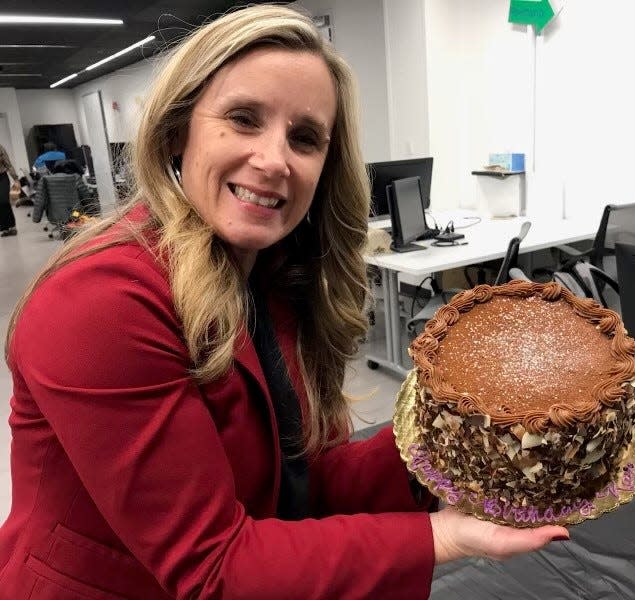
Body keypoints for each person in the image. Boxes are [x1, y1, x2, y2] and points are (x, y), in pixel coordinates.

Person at [0, 6, 568, 599]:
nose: (274, 161)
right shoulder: (101, 303)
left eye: (305, 138)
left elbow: (304, 479)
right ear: (177, 131)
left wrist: (463, 433)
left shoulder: (273, 279)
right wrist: (442, 537)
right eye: (243, 119)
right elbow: (214, 568)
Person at [32, 159, 98, 238]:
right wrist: (94, 214)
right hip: (75, 214)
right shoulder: (75, 178)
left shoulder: (45, 179)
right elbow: (86, 198)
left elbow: (39, 200)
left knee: (67, 233)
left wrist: (36, 218)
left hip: (55, 216)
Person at [0, 143, 20, 237]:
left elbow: (8, 164)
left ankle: (12, 226)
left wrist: (15, 179)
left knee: (4, 201)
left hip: (2, 177)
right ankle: (4, 228)